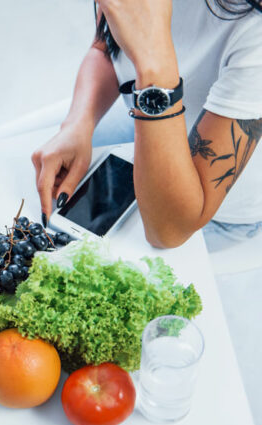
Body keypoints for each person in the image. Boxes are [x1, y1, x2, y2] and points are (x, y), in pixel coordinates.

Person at [31, 0, 262, 250]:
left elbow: (168, 232)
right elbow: (105, 49)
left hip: (216, 212)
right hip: (141, 128)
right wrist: (78, 125)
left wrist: (155, 65)